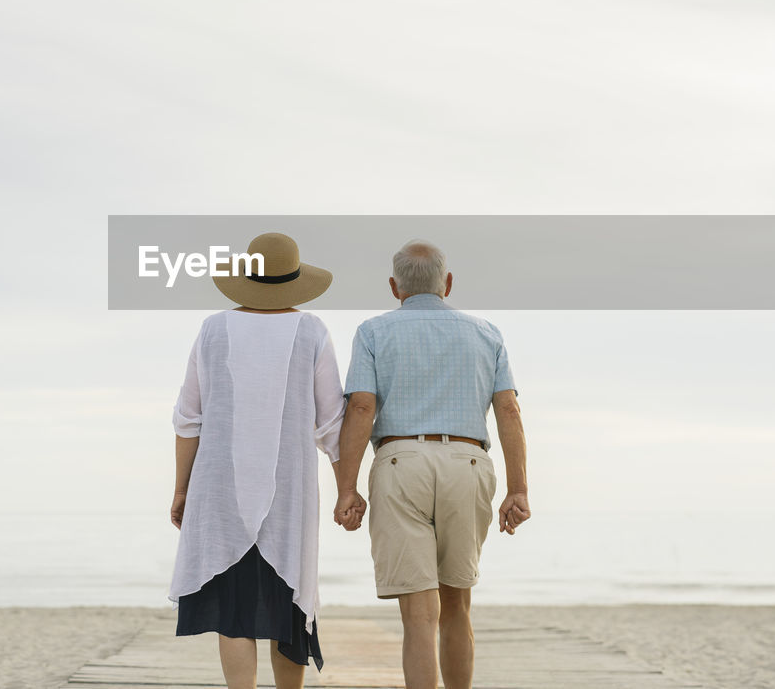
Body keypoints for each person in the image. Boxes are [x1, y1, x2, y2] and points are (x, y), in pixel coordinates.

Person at [169, 232, 363, 689]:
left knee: (234, 612)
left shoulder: (214, 329)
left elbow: (187, 418)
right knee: (288, 604)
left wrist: (182, 489)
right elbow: (332, 423)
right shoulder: (311, 330)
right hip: (289, 492)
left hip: (220, 488)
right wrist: (347, 490)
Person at [333, 239, 529, 689]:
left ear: (393, 287)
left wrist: (347, 488)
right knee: (457, 604)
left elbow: (361, 408)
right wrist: (518, 489)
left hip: (401, 463)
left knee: (419, 615)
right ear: (448, 283)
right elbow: (509, 411)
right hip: (468, 461)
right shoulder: (487, 333)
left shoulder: (373, 332)